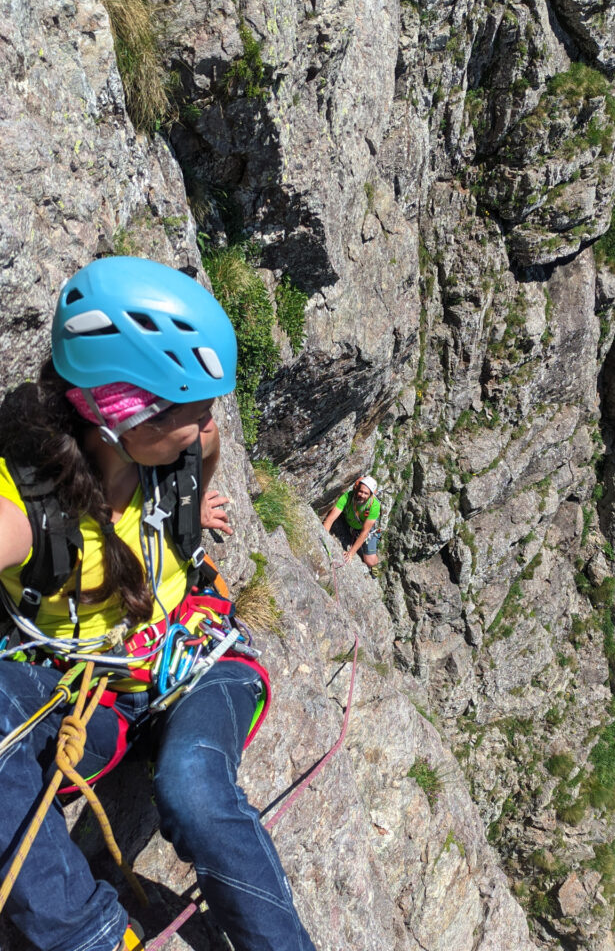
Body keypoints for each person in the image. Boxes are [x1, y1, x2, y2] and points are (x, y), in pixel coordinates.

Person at [0, 257, 316, 951]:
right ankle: (91, 937)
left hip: (196, 658)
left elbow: (205, 447)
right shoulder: (24, 500)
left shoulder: (182, 443)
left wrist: (193, 503)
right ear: (126, 415)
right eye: (193, 408)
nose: (207, 423)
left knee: (195, 790)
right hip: (90, 694)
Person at [322, 475, 382, 576]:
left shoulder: (374, 506)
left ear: (371, 495)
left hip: (364, 529)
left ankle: (376, 570)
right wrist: (323, 537)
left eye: (365, 493)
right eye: (360, 491)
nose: (362, 495)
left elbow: (364, 532)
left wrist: (351, 553)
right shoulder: (347, 497)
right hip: (350, 523)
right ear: (357, 489)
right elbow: (330, 519)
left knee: (370, 561)